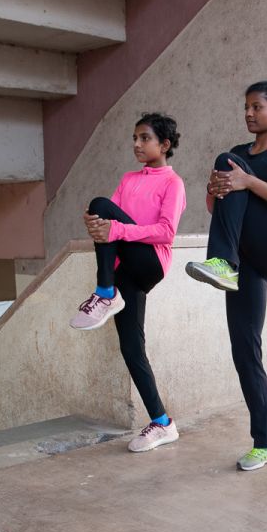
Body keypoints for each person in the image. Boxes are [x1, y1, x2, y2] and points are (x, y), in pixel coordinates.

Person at [185, 81, 267, 471]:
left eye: (257, 107)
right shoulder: (237, 155)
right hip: (242, 260)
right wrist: (216, 187)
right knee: (244, 349)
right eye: (246, 108)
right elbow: (215, 206)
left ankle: (223, 264)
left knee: (229, 163)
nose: (249, 113)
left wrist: (247, 181)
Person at [69, 113, 187, 453]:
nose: (136, 144)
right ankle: (163, 423)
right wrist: (95, 224)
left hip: (150, 262)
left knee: (101, 204)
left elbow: (166, 232)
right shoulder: (128, 178)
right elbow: (110, 225)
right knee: (132, 348)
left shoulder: (172, 183)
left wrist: (114, 227)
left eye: (144, 138)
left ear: (164, 145)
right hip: (124, 268)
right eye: (134, 138)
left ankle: (104, 292)